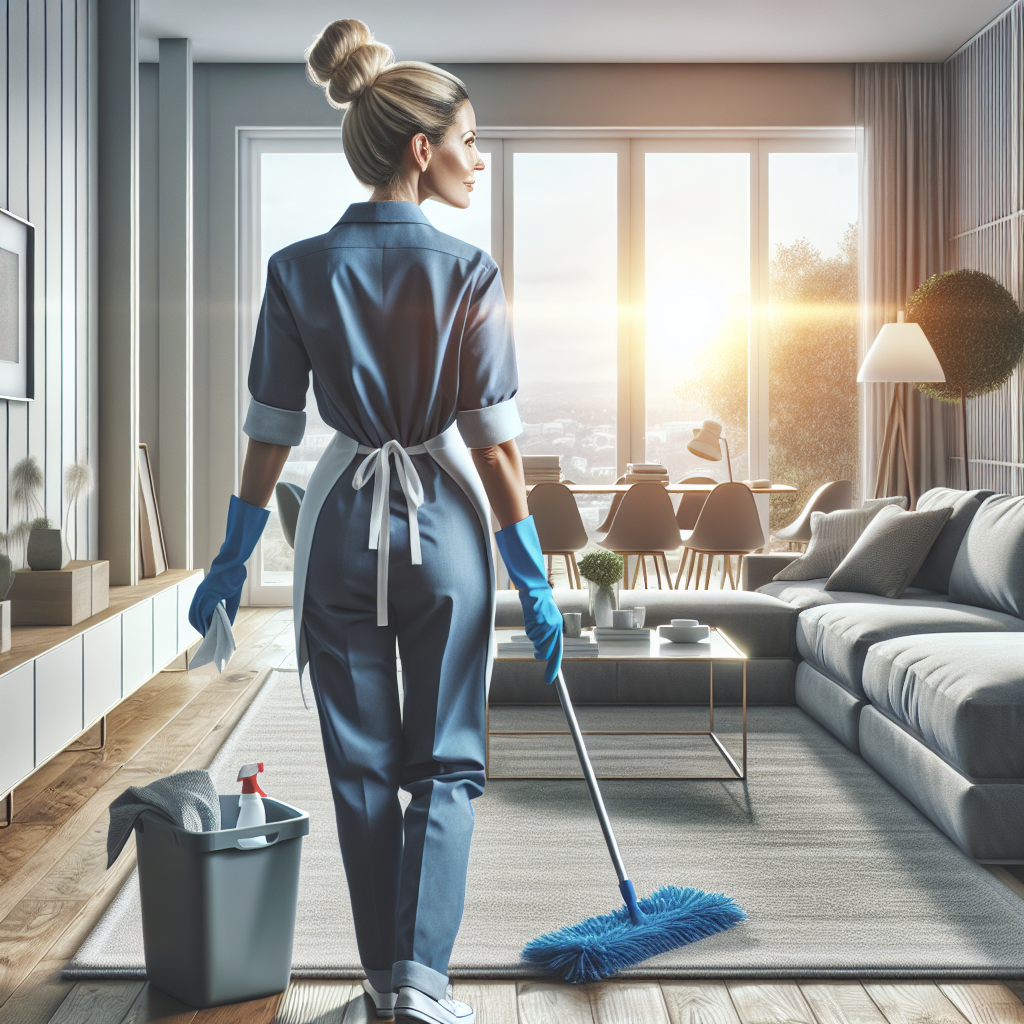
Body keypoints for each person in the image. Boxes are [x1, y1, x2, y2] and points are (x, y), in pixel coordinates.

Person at [189, 19, 562, 1024]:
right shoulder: (469, 272)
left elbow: (270, 433)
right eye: (472, 142)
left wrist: (233, 554)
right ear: (421, 148)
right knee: (446, 759)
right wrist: (529, 569)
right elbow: (493, 445)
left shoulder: (296, 268)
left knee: (359, 766)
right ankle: (421, 989)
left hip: (341, 531)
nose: (480, 161)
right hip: (444, 531)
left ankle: (378, 985)